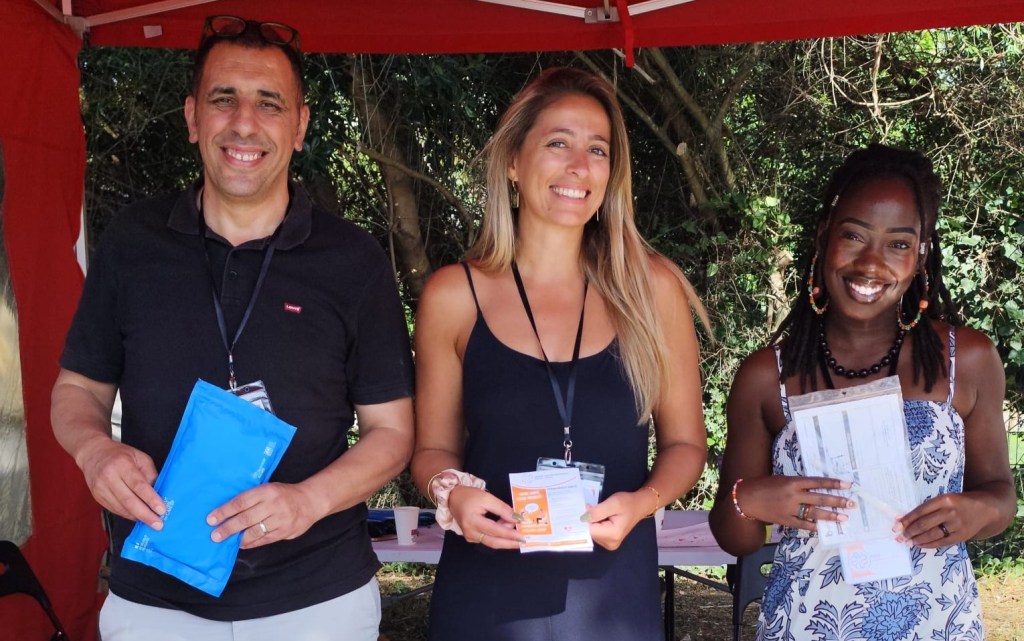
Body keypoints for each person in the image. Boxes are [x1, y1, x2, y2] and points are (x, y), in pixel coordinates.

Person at [50, 16, 414, 640]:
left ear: (300, 126)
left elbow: (392, 432)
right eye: (224, 99)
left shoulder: (353, 260)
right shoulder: (133, 244)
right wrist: (94, 451)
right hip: (154, 601)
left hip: (317, 601)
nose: (244, 123)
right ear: (193, 117)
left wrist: (309, 501)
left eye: (269, 103)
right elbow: (76, 390)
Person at [410, 67, 708, 640]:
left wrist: (642, 503)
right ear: (513, 162)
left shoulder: (652, 290)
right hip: (485, 596)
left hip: (614, 596)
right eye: (557, 143)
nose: (578, 166)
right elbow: (431, 449)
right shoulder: (454, 295)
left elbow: (686, 446)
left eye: (597, 149)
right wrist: (453, 494)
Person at [709, 144, 1016, 640]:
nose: (872, 263)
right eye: (854, 235)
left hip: (936, 625)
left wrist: (979, 511)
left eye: (898, 244)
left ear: (921, 255)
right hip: (806, 624)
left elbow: (1001, 495)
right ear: (824, 236)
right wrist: (749, 500)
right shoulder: (767, 376)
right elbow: (734, 536)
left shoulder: (967, 360)